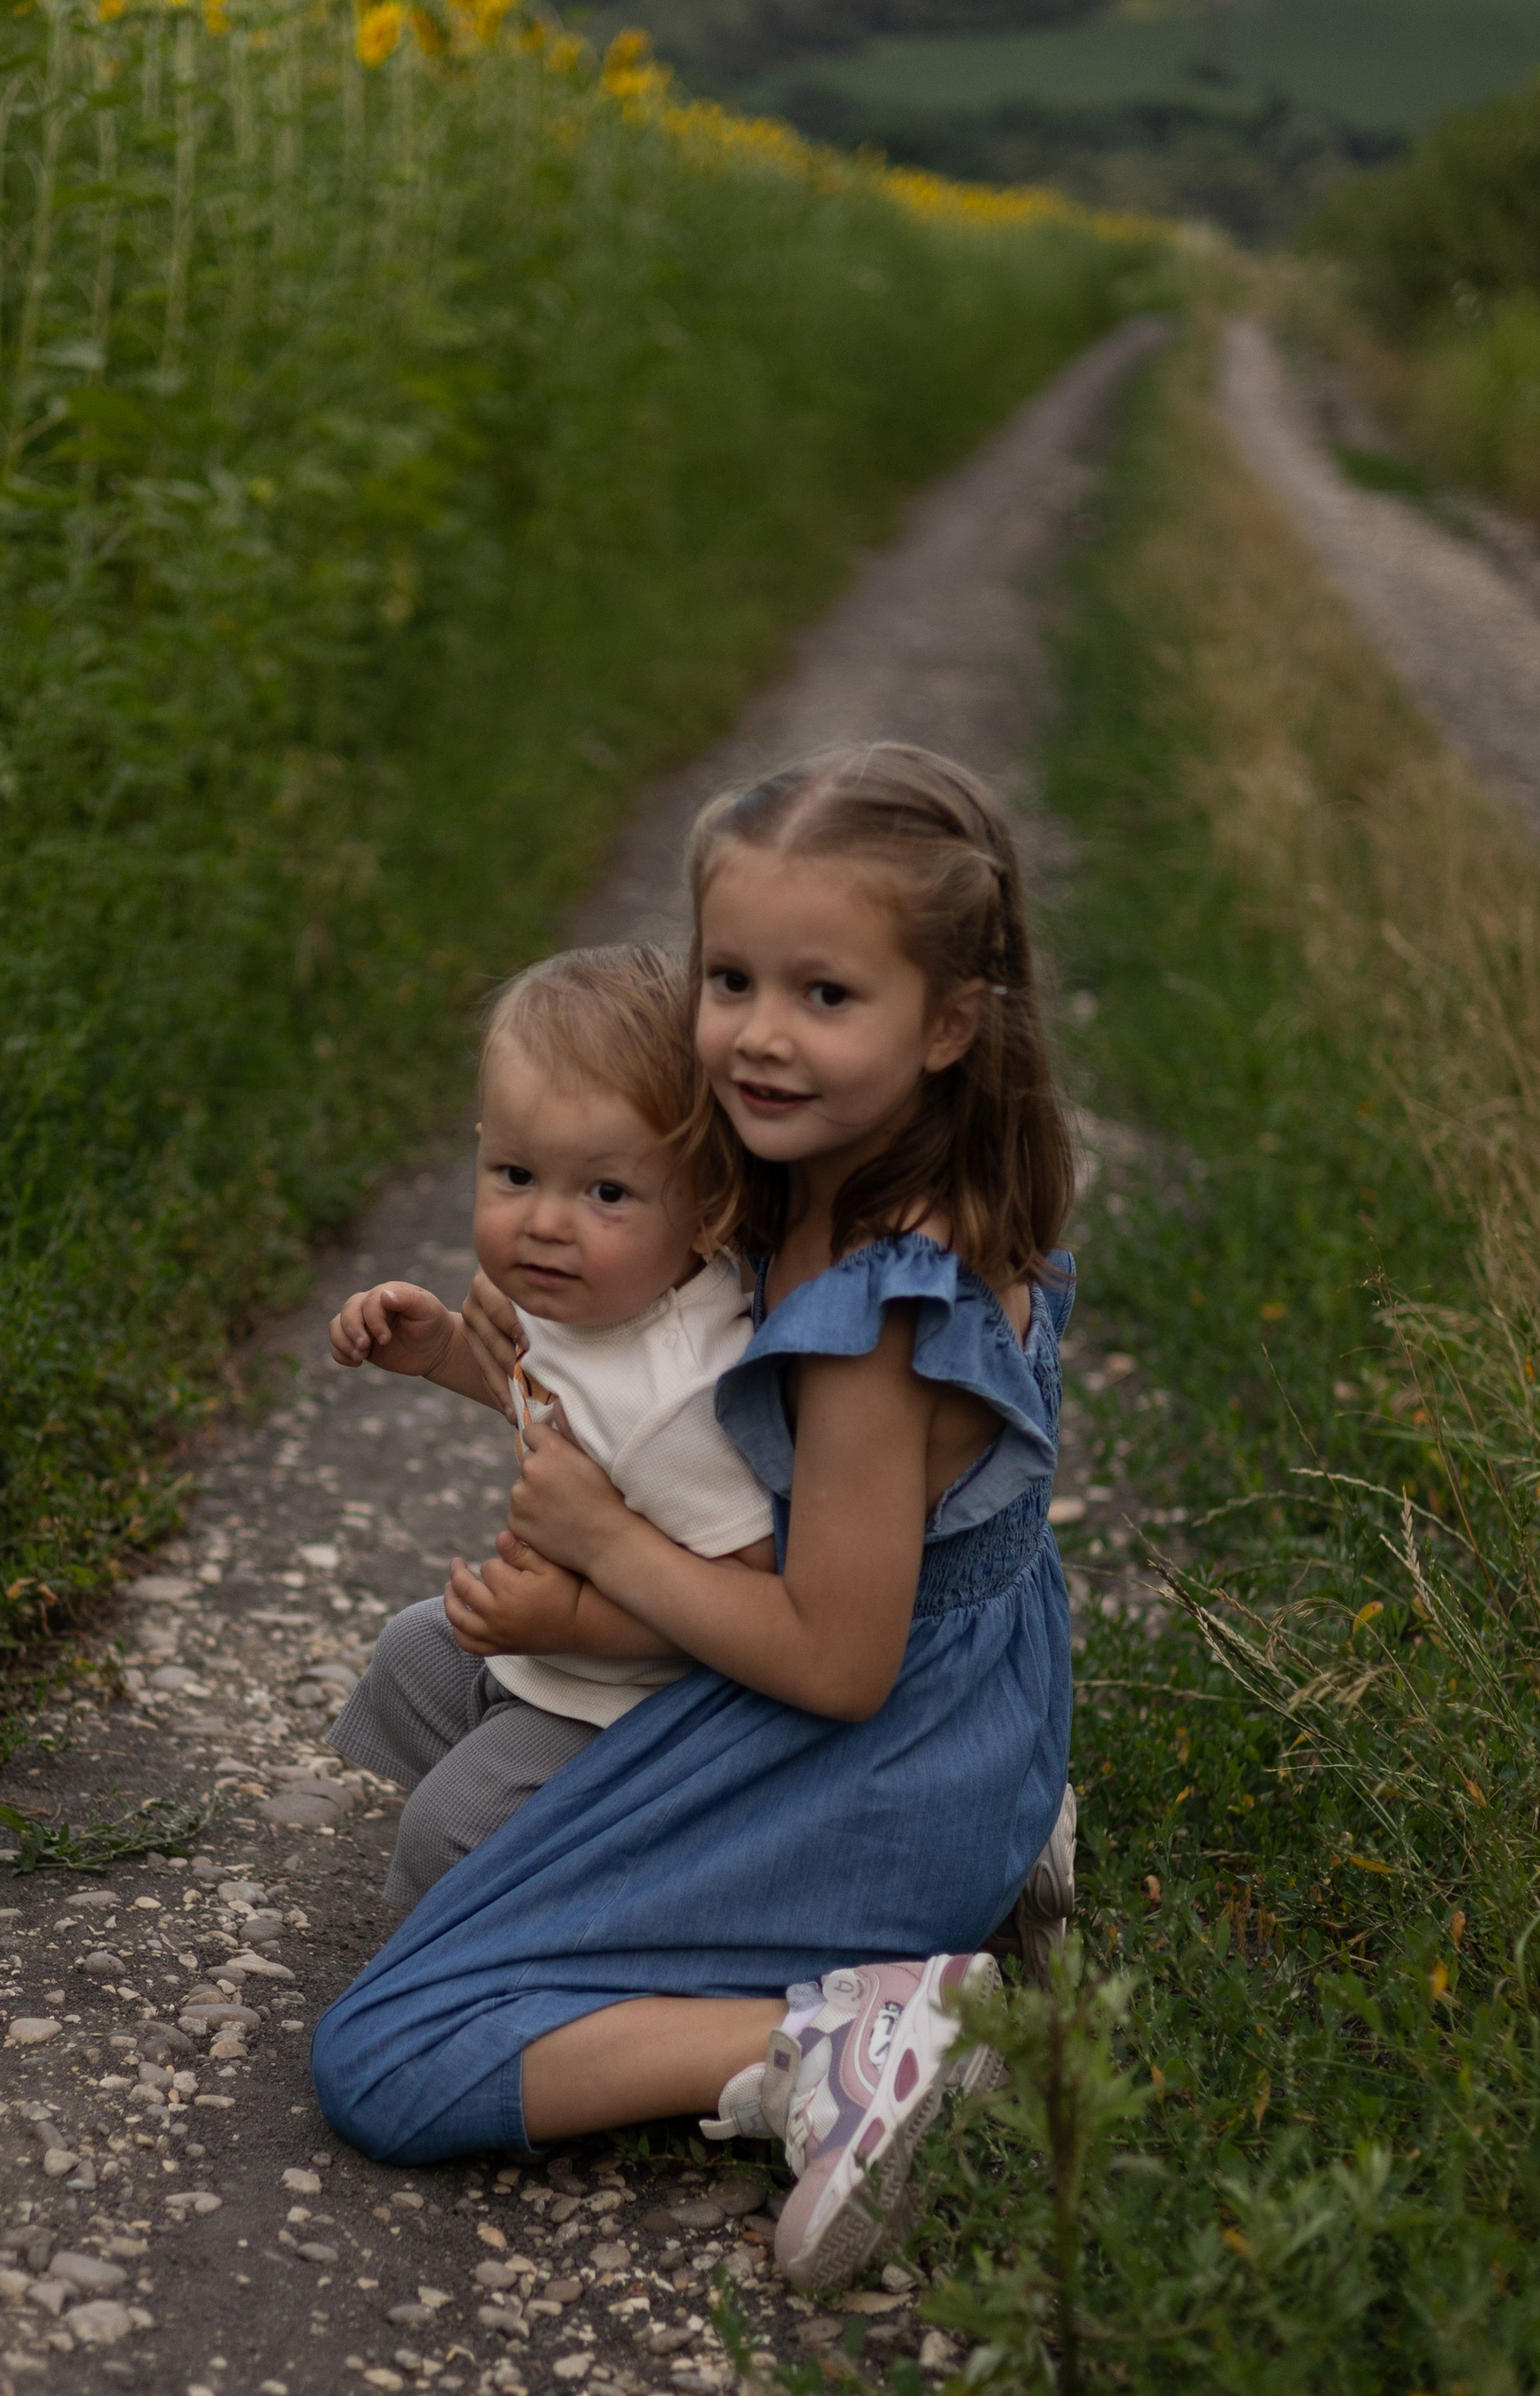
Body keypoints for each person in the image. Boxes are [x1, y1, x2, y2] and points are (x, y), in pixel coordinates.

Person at [314, 743, 1078, 2289]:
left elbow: (838, 1660)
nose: (761, 1037)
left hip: (867, 1733)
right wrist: (491, 1375)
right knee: (429, 1660)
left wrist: (601, 1551)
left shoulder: (873, 1309)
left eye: (826, 995)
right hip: (931, 1705)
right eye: (732, 979)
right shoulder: (807, 1177)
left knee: (386, 2051)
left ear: (949, 1021)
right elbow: (647, 1421)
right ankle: (963, 1865)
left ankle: (839, 2033)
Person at [325, 942, 778, 1917]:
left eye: (604, 1191)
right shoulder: (586, 1292)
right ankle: (541, 1859)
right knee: (413, 1651)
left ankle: (486, 1953)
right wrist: (441, 1346)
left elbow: (749, 1605)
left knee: (447, 1828)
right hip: (558, 1654)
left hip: (640, 1711)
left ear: (705, 1208)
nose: (545, 1223)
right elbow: (544, 1407)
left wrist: (568, 1624)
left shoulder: (680, 1398)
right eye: (517, 1172)